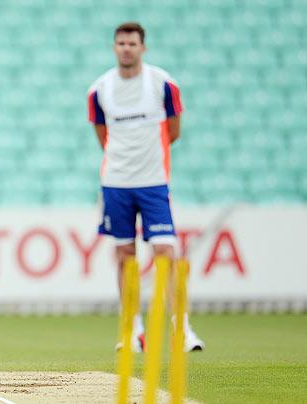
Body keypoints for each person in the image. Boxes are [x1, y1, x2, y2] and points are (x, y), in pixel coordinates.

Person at [87, 23, 204, 352]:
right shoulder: (99, 90)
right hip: (115, 185)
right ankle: (132, 330)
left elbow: (173, 131)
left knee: (166, 253)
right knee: (124, 256)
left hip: (153, 183)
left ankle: (182, 329)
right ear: (114, 48)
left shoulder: (163, 84)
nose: (126, 48)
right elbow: (103, 137)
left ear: (143, 47)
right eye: (121, 43)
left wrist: (148, 160)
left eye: (132, 43)